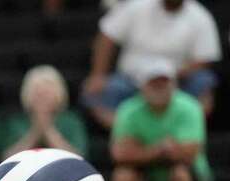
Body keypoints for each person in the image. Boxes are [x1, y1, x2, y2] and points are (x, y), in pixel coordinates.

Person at [109, 58, 211, 181]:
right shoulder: (128, 110)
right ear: (142, 86)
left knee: (180, 174)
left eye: (164, 82)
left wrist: (141, 150)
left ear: (173, 83)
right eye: (153, 82)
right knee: (123, 177)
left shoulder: (189, 107)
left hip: (188, 180)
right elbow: (119, 154)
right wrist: (161, 149)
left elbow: (188, 153)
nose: (159, 87)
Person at [82, 0, 220, 129]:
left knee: (204, 81)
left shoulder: (200, 16)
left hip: (176, 81)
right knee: (95, 90)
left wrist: (177, 74)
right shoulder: (136, 5)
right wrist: (98, 74)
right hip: (131, 80)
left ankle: (182, 129)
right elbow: (107, 36)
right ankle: (129, 131)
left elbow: (205, 58)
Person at [3, 66, 89, 160]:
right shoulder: (17, 122)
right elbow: (7, 159)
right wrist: (35, 132)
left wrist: (48, 130)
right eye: (37, 92)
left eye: (47, 93)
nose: (42, 97)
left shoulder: (71, 121)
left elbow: (78, 158)